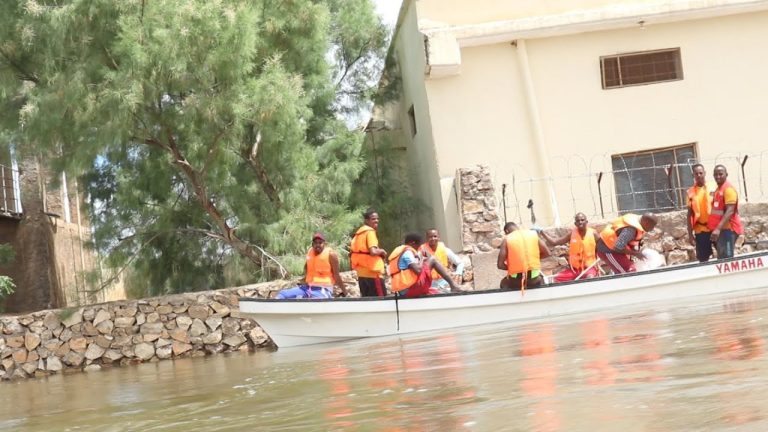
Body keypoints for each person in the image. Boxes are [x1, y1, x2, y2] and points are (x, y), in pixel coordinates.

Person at [276, 232, 347, 299]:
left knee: (313, 300)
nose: (318, 245)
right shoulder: (310, 252)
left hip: (323, 289)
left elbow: (337, 276)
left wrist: (345, 292)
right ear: (313, 244)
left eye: (320, 243)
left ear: (324, 244)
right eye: (315, 243)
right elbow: (307, 270)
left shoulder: (331, 255)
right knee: (283, 294)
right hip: (308, 287)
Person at [389, 233, 461, 298]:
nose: (419, 248)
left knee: (430, 259)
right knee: (432, 259)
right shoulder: (407, 252)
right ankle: (453, 285)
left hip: (404, 290)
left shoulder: (400, 251)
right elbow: (418, 270)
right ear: (413, 243)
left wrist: (423, 258)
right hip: (409, 290)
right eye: (418, 246)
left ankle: (452, 285)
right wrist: (422, 259)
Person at [539, 212, 601, 282]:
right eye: (578, 221)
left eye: (582, 220)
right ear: (575, 224)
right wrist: (541, 232)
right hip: (574, 270)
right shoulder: (571, 234)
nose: (580, 222)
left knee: (590, 278)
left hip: (589, 269)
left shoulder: (594, 233)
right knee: (555, 279)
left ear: (586, 222)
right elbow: (554, 242)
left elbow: (602, 247)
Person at [497, 222, 551, 290]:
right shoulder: (533, 234)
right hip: (534, 279)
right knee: (542, 279)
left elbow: (500, 265)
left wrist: (514, 267)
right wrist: (533, 261)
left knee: (503, 283)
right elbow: (548, 253)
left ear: (507, 231)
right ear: (517, 227)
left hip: (516, 281)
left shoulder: (507, 239)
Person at [708, 164, 743, 259]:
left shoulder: (728, 190)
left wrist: (717, 229)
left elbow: (730, 211)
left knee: (727, 259)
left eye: (720, 174)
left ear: (726, 174)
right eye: (716, 174)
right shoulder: (718, 189)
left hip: (729, 230)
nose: (718, 176)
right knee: (722, 258)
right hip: (722, 230)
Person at [350, 209, 388, 297]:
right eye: (373, 219)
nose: (376, 221)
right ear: (366, 221)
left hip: (361, 274)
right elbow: (373, 251)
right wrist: (382, 251)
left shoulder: (358, 234)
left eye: (377, 219)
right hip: (373, 274)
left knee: (367, 302)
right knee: (381, 302)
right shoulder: (370, 232)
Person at [686, 164, 717, 262]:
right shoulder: (690, 192)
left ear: (705, 173)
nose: (699, 175)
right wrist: (690, 235)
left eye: (701, 173)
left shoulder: (714, 186)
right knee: (703, 259)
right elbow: (689, 214)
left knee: (723, 255)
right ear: (693, 175)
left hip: (716, 228)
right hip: (701, 231)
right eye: (696, 173)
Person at [419, 229, 464, 293]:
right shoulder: (421, 251)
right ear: (426, 238)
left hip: (443, 281)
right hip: (429, 282)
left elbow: (460, 263)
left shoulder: (445, 249)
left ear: (439, 237)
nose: (433, 239)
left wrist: (458, 272)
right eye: (430, 237)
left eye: (435, 236)